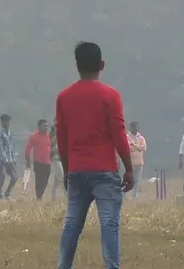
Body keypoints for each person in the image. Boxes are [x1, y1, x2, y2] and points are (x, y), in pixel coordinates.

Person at [54, 41, 133, 269]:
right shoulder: (110, 95)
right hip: (104, 168)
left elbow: (62, 137)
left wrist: (68, 169)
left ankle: (63, 265)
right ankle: (111, 266)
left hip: (78, 168)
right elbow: (118, 134)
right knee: (109, 223)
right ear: (102, 65)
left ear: (77, 66)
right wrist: (128, 167)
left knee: (72, 223)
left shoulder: (64, 97)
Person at [25, 119, 53, 200]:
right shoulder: (33, 137)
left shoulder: (48, 136)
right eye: (44, 126)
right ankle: (39, 196)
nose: (46, 128)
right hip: (38, 162)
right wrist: (27, 158)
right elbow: (28, 148)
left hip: (47, 162)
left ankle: (40, 193)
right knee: (39, 179)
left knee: (45, 179)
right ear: (39, 127)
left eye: (47, 126)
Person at [0, 114, 20, 200]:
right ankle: (0, 195)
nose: (8, 123)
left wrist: (13, 158)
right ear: (2, 122)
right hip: (2, 160)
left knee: (15, 177)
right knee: (2, 176)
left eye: (9, 121)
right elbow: (0, 148)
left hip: (10, 159)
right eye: (6, 121)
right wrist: (5, 160)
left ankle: (7, 193)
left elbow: (10, 146)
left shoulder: (9, 132)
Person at [127, 122, 146, 199]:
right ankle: (125, 197)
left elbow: (144, 148)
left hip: (139, 163)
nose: (136, 129)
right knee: (128, 180)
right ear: (131, 128)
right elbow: (128, 148)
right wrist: (138, 148)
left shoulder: (141, 138)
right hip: (129, 163)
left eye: (137, 127)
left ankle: (134, 197)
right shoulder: (127, 137)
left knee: (137, 182)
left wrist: (134, 145)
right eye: (134, 127)